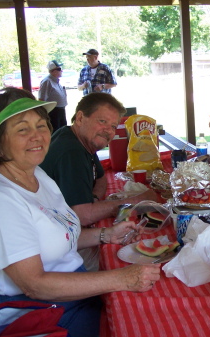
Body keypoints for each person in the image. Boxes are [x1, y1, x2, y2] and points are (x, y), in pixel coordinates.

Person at [0, 88, 161, 337]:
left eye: (41, 125)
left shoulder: (37, 174)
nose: (37, 136)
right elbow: (35, 285)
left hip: (68, 294)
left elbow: (59, 234)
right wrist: (122, 279)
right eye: (22, 129)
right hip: (34, 311)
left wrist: (106, 235)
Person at [39, 93, 157, 270]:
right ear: (80, 118)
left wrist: (93, 198)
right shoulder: (71, 152)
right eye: (102, 121)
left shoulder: (80, 139)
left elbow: (101, 178)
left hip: (67, 234)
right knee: (125, 260)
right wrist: (137, 201)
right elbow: (83, 215)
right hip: (53, 252)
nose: (108, 131)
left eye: (113, 126)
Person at [38, 60, 67, 132]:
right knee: (55, 132)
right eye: (59, 69)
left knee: (62, 131)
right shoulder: (47, 81)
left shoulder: (56, 81)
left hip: (61, 110)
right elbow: (41, 99)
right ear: (53, 71)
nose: (61, 71)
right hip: (53, 112)